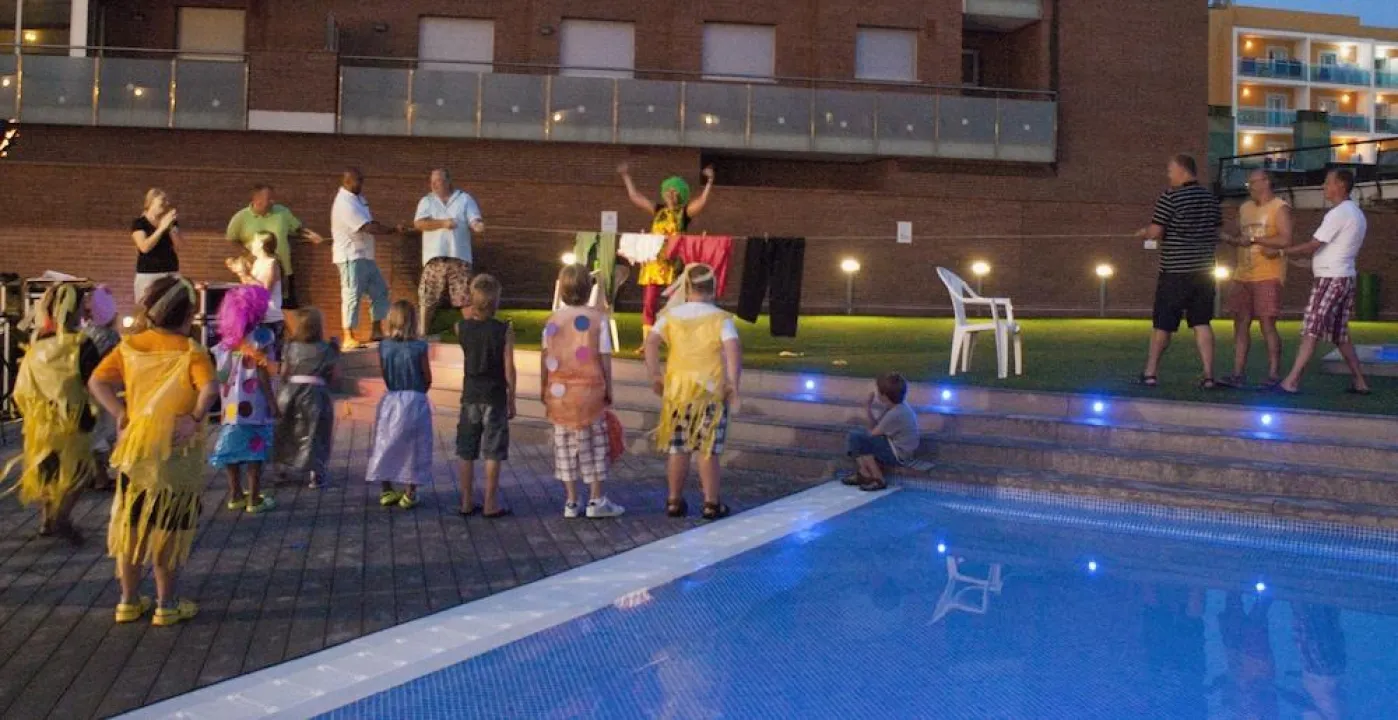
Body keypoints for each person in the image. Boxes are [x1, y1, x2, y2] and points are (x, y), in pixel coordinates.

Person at [88, 276, 218, 627]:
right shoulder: (191, 351)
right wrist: (194, 417)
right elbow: (209, 389)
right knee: (168, 530)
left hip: (136, 454)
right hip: (175, 458)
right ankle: (166, 605)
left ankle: (128, 602)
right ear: (188, 314)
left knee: (132, 526)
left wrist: (120, 412)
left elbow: (97, 381)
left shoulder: (130, 346)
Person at [2, 282, 100, 544]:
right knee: (80, 472)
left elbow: (22, 386)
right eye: (81, 305)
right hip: (74, 419)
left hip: (41, 421)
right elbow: (94, 381)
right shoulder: (82, 344)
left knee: (48, 471)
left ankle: (47, 521)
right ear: (73, 309)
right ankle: (61, 517)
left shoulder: (37, 342)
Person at [644, 263, 741, 521]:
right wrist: (733, 382)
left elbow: (651, 342)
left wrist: (655, 374)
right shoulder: (720, 318)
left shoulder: (671, 316)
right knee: (707, 449)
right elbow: (732, 349)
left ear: (686, 288)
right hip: (709, 392)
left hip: (678, 393)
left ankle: (674, 500)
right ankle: (711, 502)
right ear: (713, 288)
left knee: (678, 448)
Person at [1276, 169, 1370, 395]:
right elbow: (1332, 250)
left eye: (1328, 183)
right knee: (1339, 334)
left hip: (1331, 279)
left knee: (1312, 329)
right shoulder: (1356, 213)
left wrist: (1282, 252)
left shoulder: (1338, 213)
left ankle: (1291, 381)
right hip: (1344, 277)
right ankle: (1360, 382)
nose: (1323, 187)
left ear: (1341, 185)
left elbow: (1313, 245)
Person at [541, 265, 624, 519]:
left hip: (560, 393)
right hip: (590, 392)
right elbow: (604, 357)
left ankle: (571, 501)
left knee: (564, 448)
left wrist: (543, 387)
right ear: (589, 289)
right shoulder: (598, 320)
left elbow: (545, 357)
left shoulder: (553, 321)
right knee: (595, 447)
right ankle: (596, 499)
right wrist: (609, 388)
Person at [1136, 154, 1224, 389]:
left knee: (1163, 324)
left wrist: (1145, 233)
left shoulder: (1170, 196)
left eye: (1170, 170)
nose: (1168, 175)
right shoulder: (1210, 198)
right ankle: (1208, 375)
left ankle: (1150, 373)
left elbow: (1156, 232)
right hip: (1204, 271)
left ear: (1183, 171)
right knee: (1202, 322)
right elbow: (1216, 232)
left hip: (1175, 271)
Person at [618, 162, 715, 349]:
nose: (670, 194)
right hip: (654, 263)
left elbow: (702, 202)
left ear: (680, 195)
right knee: (649, 303)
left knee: (676, 302)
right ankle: (648, 342)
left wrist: (709, 181)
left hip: (673, 264)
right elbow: (636, 197)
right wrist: (626, 176)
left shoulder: (684, 213)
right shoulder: (658, 210)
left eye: (675, 191)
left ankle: (676, 339)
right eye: (668, 190)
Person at [208, 285, 279, 515]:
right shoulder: (262, 337)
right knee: (255, 449)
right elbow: (263, 373)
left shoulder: (226, 342)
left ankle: (235, 494)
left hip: (230, 406)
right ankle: (254, 498)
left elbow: (220, 375)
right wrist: (273, 403)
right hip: (255, 404)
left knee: (231, 446)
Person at [1221, 170, 1291, 388]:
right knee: (1240, 323)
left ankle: (1273, 374)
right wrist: (1229, 238)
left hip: (1268, 274)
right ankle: (1238, 373)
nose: (1249, 186)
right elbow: (1235, 234)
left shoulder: (1279, 207)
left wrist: (1255, 240)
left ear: (1266, 182)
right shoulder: (1245, 208)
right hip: (1243, 274)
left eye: (1253, 182)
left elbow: (1285, 239)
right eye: (1248, 183)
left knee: (1267, 323)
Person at [455, 274, 515, 518]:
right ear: (496, 301)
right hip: (495, 395)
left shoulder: (461, 328)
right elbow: (509, 367)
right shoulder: (503, 330)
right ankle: (490, 503)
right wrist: (512, 398)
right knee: (493, 451)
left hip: (470, 393)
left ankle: (466, 502)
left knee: (466, 450)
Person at [365, 301, 433, 509]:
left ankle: (386, 489)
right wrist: (420, 389)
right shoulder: (420, 346)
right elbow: (427, 377)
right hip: (415, 399)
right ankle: (410, 492)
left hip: (392, 398)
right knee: (415, 446)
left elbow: (384, 373)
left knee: (386, 442)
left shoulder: (384, 346)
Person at [331, 168, 404, 350]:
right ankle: (348, 336)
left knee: (380, 291)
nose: (361, 184)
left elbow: (370, 223)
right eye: (358, 180)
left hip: (366, 255)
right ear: (347, 181)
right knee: (351, 294)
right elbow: (367, 227)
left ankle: (377, 330)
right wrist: (392, 230)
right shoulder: (344, 203)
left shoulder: (359, 200)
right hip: (350, 256)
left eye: (362, 180)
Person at [225, 183, 325, 309]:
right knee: (259, 305)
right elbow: (231, 240)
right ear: (257, 200)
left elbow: (297, 229)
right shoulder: (241, 218)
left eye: (273, 198)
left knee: (287, 307)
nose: (273, 202)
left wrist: (311, 235)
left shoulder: (282, 212)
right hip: (257, 272)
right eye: (269, 199)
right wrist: (247, 255)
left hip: (283, 271)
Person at [413, 168, 484, 336]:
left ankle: (473, 335)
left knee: (464, 298)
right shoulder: (427, 201)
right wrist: (443, 223)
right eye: (432, 181)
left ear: (448, 181)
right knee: (428, 297)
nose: (433, 185)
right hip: (434, 257)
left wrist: (477, 225)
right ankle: (422, 334)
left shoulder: (464, 199)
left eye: (437, 181)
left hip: (459, 256)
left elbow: (474, 218)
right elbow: (419, 223)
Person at [275, 308, 340, 490]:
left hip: (290, 393)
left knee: (287, 430)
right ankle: (316, 473)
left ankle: (281, 468)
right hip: (316, 394)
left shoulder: (290, 346)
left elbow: (284, 373)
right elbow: (335, 377)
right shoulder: (327, 348)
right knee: (315, 433)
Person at [841, 372, 919, 492]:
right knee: (857, 435)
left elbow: (872, 433)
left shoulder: (896, 413)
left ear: (884, 396)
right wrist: (868, 407)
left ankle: (878, 479)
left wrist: (866, 408)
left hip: (899, 453)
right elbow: (876, 426)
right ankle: (864, 474)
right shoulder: (895, 407)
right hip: (893, 445)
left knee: (860, 439)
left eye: (878, 391)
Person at [83, 285, 121, 490]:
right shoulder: (110, 336)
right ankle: (101, 477)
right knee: (104, 432)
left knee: (93, 433)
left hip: (84, 389)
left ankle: (92, 474)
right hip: (104, 389)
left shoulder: (84, 332)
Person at [226, 230, 286, 353]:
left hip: (270, 319)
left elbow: (265, 291)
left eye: (254, 241)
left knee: (269, 357)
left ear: (262, 244)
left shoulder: (272, 263)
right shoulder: (257, 262)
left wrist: (246, 275)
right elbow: (249, 287)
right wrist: (240, 272)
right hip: (257, 317)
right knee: (255, 357)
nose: (251, 244)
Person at [131, 188, 181, 304]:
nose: (165, 204)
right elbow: (144, 247)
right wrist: (161, 228)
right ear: (151, 202)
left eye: (167, 201)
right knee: (147, 308)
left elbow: (179, 246)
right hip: (149, 274)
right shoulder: (140, 223)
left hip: (170, 272)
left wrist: (170, 228)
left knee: (171, 308)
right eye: (162, 201)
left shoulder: (169, 222)